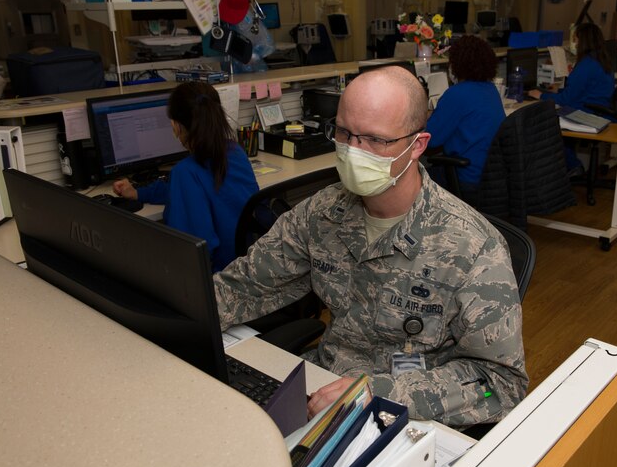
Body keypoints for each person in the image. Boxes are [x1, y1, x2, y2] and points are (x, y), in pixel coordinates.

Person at [214, 66, 528, 429]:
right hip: (322, 388)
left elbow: (501, 386)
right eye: (345, 133)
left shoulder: (474, 247)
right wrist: (178, 315)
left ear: (418, 145)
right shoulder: (321, 214)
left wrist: (378, 391)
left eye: (375, 140)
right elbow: (245, 285)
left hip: (409, 417)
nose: (353, 151)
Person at [113, 81, 259, 272]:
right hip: (249, 267)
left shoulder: (186, 173)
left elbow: (192, 255)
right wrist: (139, 193)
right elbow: (193, 188)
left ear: (177, 126)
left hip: (220, 280)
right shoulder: (234, 152)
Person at [426, 35, 505, 201]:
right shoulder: (491, 90)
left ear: (456, 64)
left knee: (413, 176)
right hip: (490, 177)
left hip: (465, 177)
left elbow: (430, 140)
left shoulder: (457, 94)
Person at [528, 22, 615, 172]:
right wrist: (557, 91)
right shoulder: (602, 60)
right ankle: (569, 165)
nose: (574, 43)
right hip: (598, 111)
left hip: (587, 113)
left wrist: (540, 95)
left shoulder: (586, 64)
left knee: (545, 123)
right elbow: (579, 92)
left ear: (584, 41)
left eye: (576, 39)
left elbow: (567, 100)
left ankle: (573, 166)